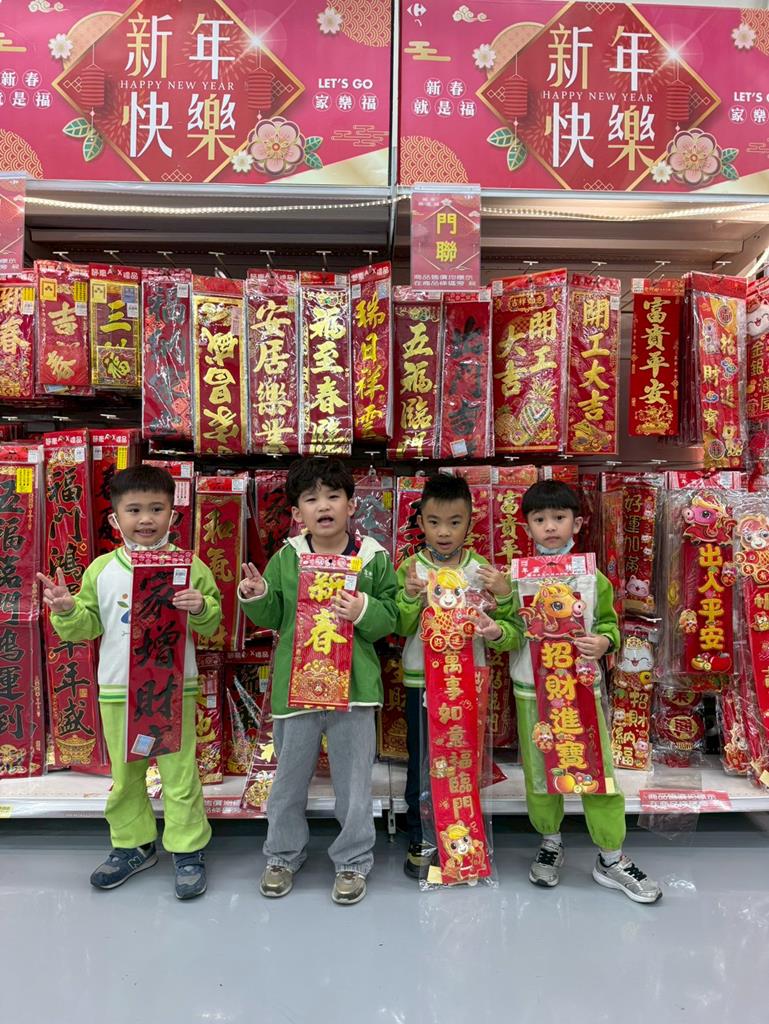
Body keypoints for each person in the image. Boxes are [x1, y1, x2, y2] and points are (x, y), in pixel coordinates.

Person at [37, 466, 222, 900]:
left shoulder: (190, 565)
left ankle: (187, 849)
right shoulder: (102, 570)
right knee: (125, 776)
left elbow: (212, 622)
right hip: (120, 692)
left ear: (173, 514)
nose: (146, 519)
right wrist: (65, 609)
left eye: (157, 509)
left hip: (174, 690)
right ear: (115, 518)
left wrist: (201, 607)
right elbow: (85, 626)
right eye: (134, 510)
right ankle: (132, 845)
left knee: (180, 774)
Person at [238, 457, 398, 905]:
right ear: (297, 512)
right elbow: (274, 616)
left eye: (333, 496)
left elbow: (392, 618)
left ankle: (353, 860)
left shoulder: (373, 558)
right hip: (296, 690)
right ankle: (282, 854)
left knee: (354, 785)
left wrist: (364, 610)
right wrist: (257, 596)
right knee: (288, 782)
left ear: (351, 505)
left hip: (355, 692)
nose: (323, 506)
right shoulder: (288, 557)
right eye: (311, 499)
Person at [511, 479, 661, 904]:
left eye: (559, 518)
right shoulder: (515, 576)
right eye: (540, 519)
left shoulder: (592, 577)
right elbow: (509, 631)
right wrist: (495, 622)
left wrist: (605, 643)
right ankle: (550, 842)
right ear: (527, 527)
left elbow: (611, 624)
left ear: (576, 524)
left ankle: (611, 857)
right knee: (540, 773)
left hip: (580, 691)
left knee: (597, 771)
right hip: (532, 690)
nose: (550, 527)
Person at [395, 473, 517, 880]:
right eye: (434, 522)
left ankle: (462, 838)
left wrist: (504, 593)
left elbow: (506, 627)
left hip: (466, 683)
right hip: (422, 682)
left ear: (470, 523)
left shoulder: (480, 569)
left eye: (454, 522)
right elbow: (398, 624)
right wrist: (409, 596)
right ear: (421, 522)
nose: (444, 532)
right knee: (421, 762)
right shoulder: (412, 567)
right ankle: (420, 836)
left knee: (461, 761)